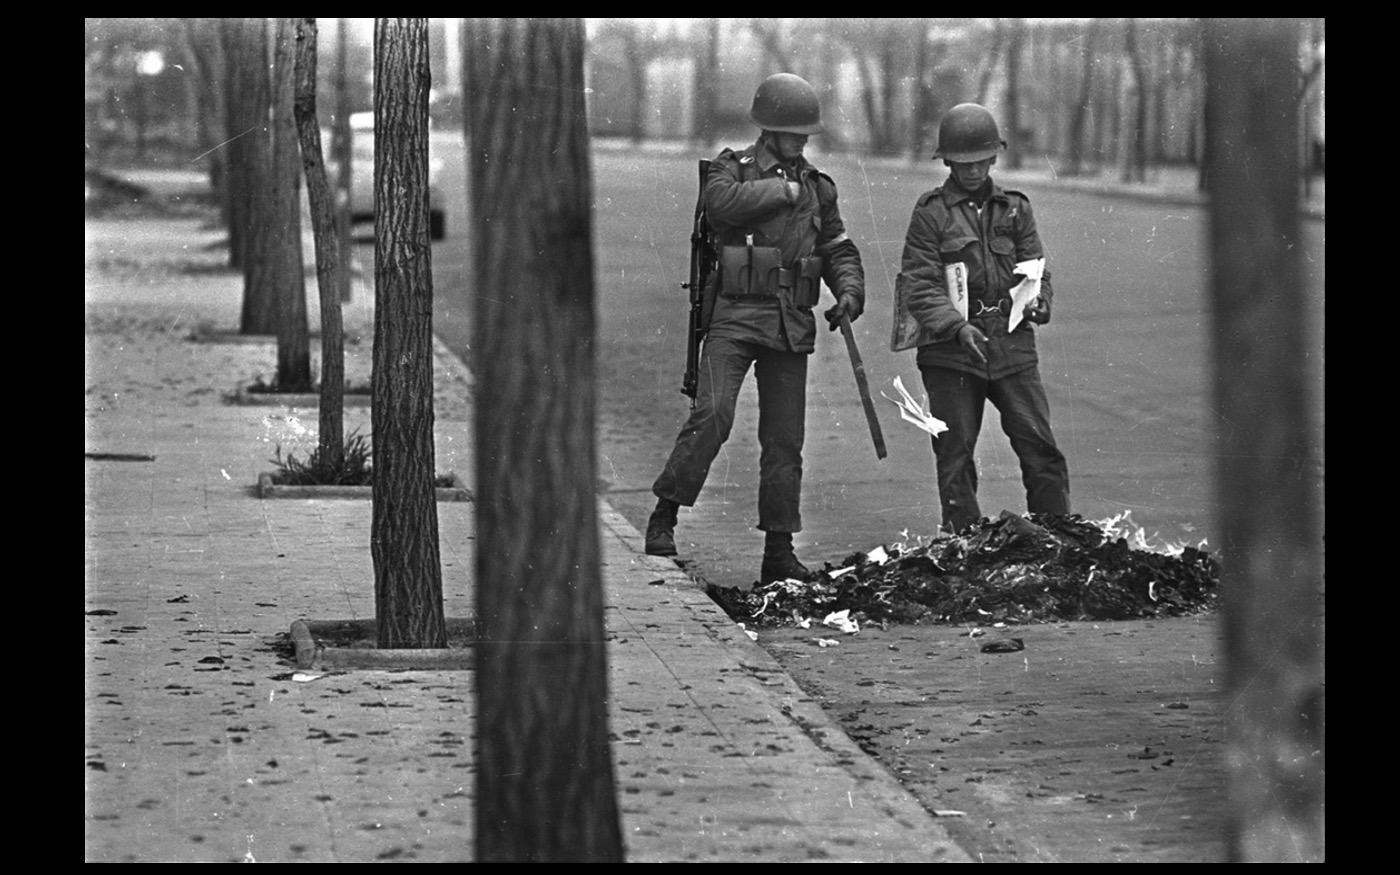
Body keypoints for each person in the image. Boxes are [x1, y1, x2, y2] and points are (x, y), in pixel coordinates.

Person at [645, 72, 866, 583]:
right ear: (768, 130)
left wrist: (850, 291)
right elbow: (718, 208)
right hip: (737, 314)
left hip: (789, 321)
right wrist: (779, 190)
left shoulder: (817, 186)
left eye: (805, 134)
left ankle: (779, 551)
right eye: (794, 132)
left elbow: (835, 247)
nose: (802, 141)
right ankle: (665, 512)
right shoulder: (732, 169)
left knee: (785, 441)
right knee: (714, 412)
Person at [897, 102, 1070, 534]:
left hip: (1011, 344)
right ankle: (963, 548)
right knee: (955, 456)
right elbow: (918, 284)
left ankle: (1059, 544)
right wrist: (956, 327)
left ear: (994, 158)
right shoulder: (931, 213)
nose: (972, 171)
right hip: (951, 351)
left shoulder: (1015, 208)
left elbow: (1035, 266)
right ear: (948, 162)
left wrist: (1039, 300)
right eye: (963, 162)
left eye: (980, 161)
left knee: (1040, 449)